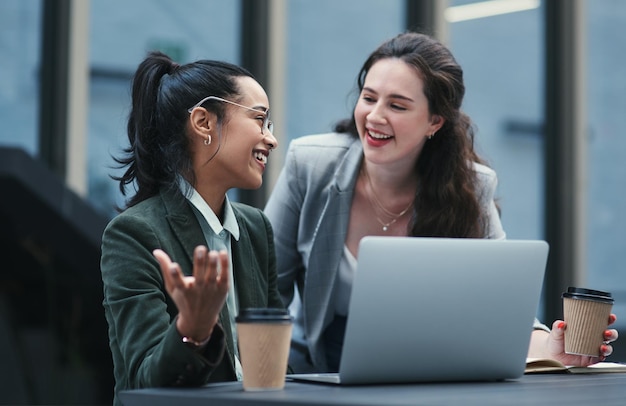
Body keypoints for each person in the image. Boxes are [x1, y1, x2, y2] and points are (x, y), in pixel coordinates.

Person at [264, 32, 618, 373]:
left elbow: (505, 312)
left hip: (426, 376)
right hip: (313, 369)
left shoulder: (470, 186)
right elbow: (263, 289)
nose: (374, 117)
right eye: (369, 98)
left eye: (397, 105)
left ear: (434, 121)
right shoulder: (309, 166)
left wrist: (553, 348)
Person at [100, 51, 282, 405]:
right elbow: (143, 382)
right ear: (203, 122)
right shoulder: (133, 233)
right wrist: (193, 330)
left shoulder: (256, 228)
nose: (270, 139)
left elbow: (272, 367)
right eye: (260, 120)